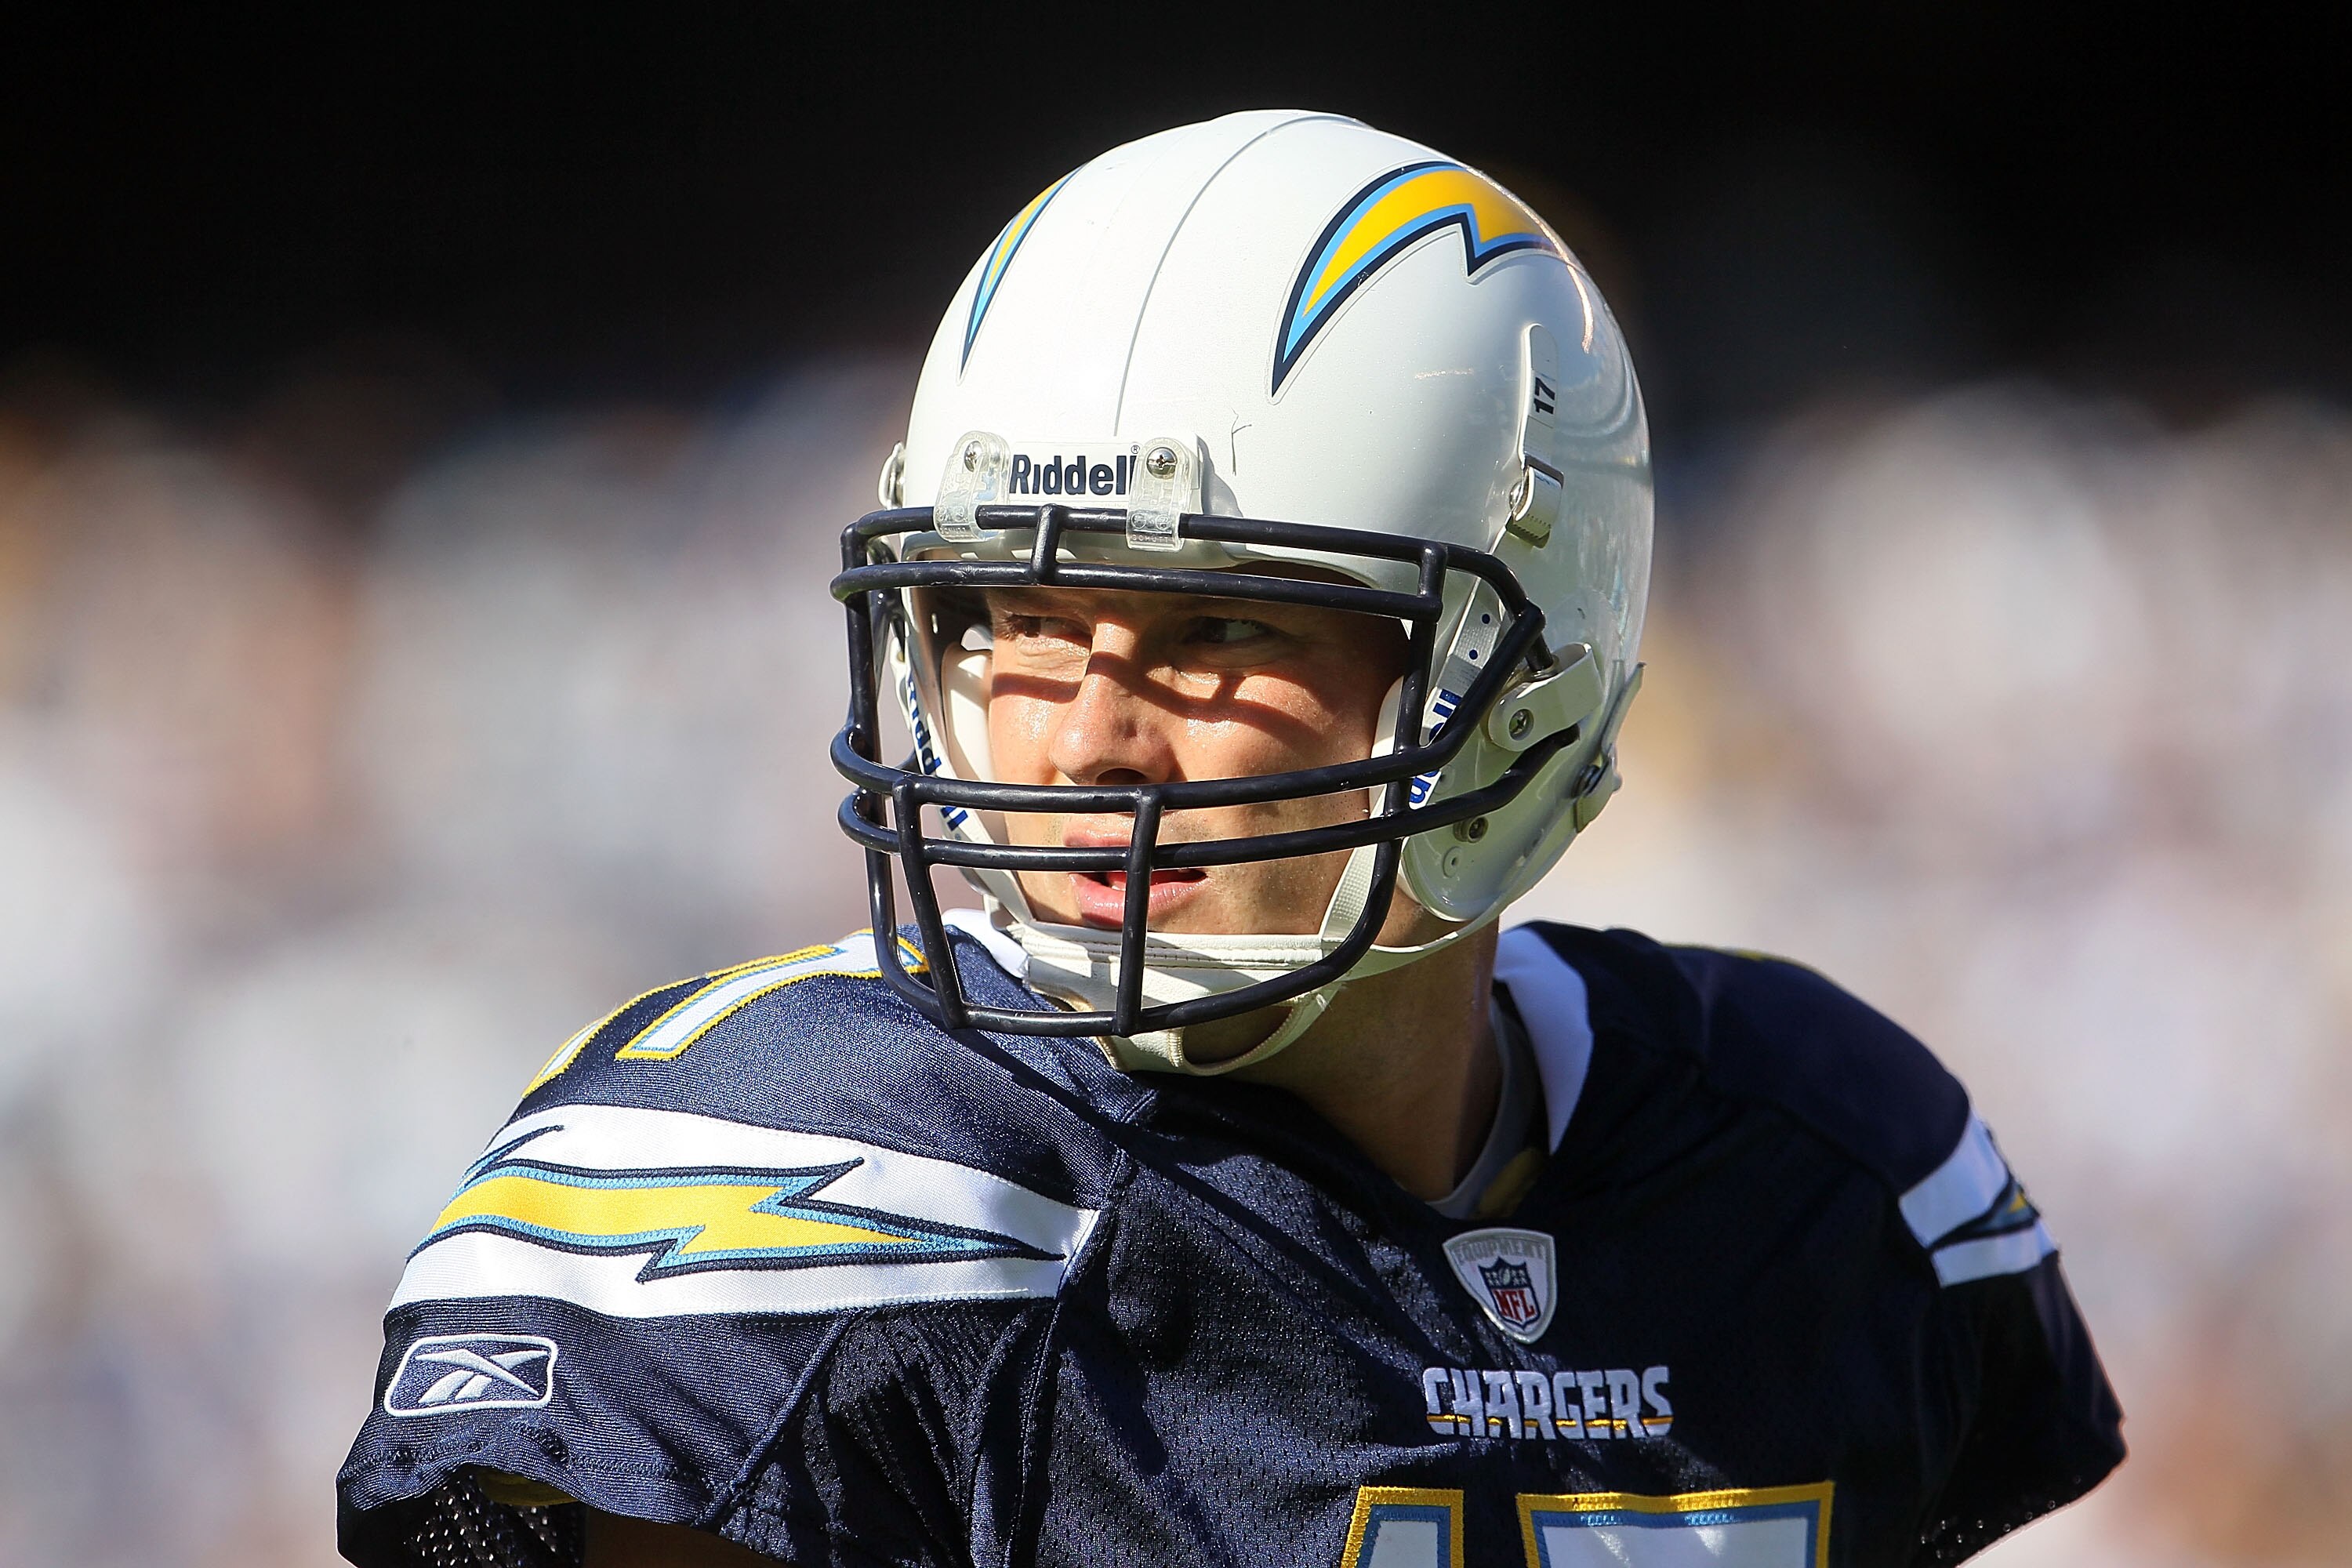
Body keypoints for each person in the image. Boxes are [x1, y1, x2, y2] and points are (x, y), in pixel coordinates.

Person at [334, 111, 2123, 1568]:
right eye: (1013, 624)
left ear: (1524, 682)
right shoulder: (821, 1178)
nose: (1091, 735)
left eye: (1218, 633)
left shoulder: (1815, 1167)